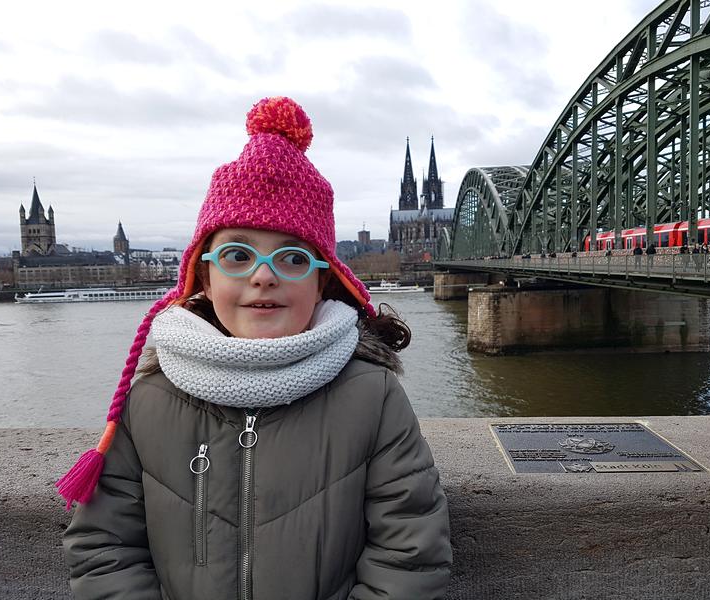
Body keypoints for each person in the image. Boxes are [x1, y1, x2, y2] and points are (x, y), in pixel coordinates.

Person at [59, 97, 452, 600]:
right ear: (202, 273)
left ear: (324, 281)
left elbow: (410, 557)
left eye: (292, 258)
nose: (263, 276)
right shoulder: (149, 400)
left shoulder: (372, 397)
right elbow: (102, 548)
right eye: (238, 255)